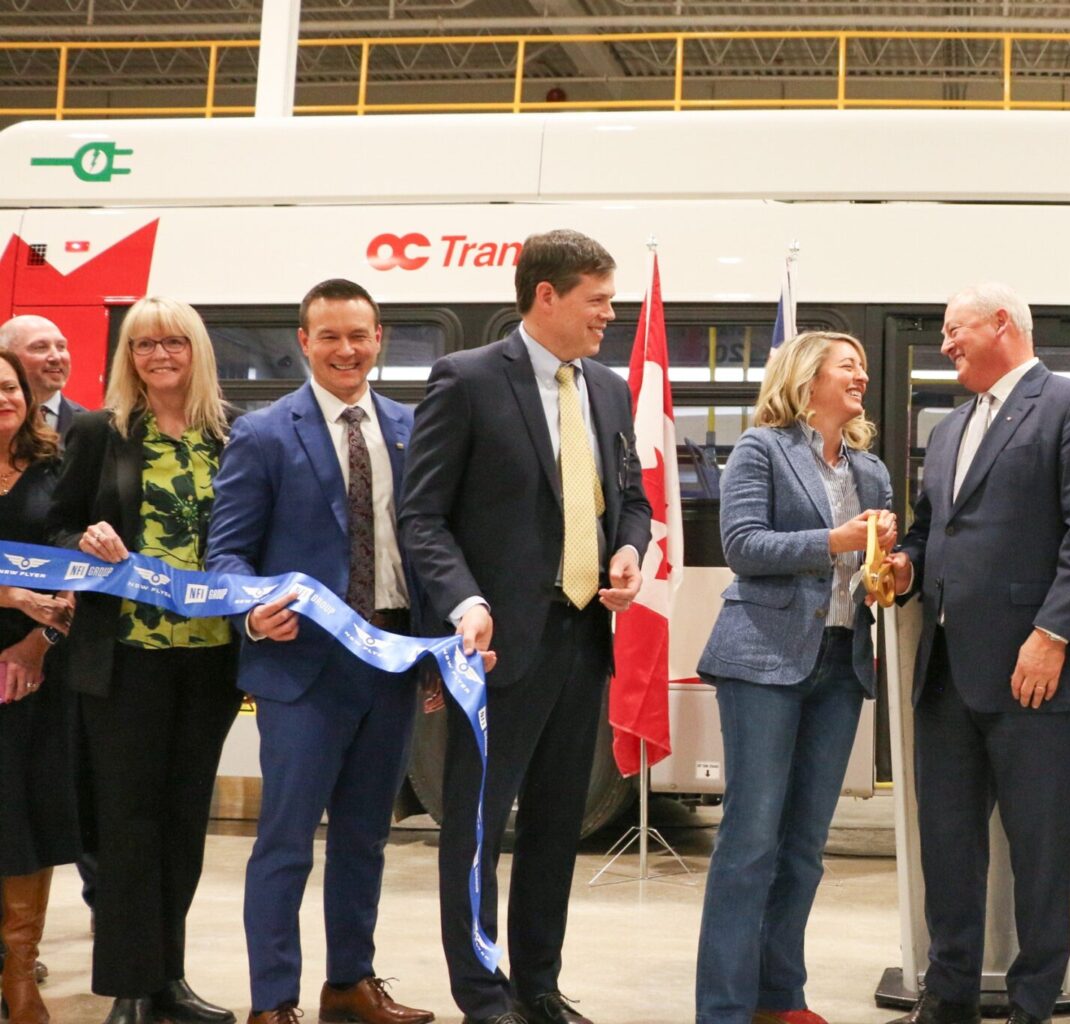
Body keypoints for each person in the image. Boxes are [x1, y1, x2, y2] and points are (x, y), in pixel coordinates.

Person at [399, 229, 649, 1024]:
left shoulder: (607, 388)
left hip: (580, 641)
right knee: (475, 828)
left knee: (554, 826)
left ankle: (537, 986)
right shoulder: (467, 380)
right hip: (494, 647)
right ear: (547, 296)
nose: (610, 315)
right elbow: (423, 517)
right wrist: (465, 601)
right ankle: (482, 992)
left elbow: (631, 495)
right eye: (597, 300)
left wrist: (630, 552)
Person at [884, 282, 1070, 1024]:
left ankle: (1033, 1002)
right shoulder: (953, 426)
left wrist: (1053, 635)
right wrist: (905, 568)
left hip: (1040, 676)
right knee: (949, 852)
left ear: (1002, 326)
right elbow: (933, 530)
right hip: (948, 675)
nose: (946, 344)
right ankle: (947, 993)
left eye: (956, 330)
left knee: (1043, 855)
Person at [205, 279, 435, 1024]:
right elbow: (227, 557)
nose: (346, 350)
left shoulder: (411, 427)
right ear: (304, 343)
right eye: (329, 336)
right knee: (286, 844)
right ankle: (273, 1002)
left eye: (359, 335)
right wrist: (253, 611)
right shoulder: (265, 433)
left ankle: (350, 984)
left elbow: (427, 548)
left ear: (380, 340)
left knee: (367, 838)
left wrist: (433, 650)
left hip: (390, 660)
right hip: (301, 670)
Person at [692, 330, 896, 1024]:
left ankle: (780, 999)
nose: (862, 376)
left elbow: (867, 576)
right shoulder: (762, 448)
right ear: (809, 378)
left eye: (863, 368)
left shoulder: (870, 471)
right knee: (750, 842)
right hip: (764, 662)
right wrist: (834, 542)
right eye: (850, 366)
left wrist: (889, 571)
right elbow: (743, 547)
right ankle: (722, 1008)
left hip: (841, 663)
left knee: (805, 847)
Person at [49, 296, 240, 1024]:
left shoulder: (229, 436)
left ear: (197, 351)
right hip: (125, 657)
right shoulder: (102, 432)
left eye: (173, 343)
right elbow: (56, 527)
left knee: (184, 821)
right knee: (127, 824)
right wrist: (84, 544)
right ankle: (131, 987)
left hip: (209, 659)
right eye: (143, 345)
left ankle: (171, 980)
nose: (159, 356)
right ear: (127, 357)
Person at [0, 348, 77, 1024]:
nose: (3, 398)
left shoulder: (56, 466)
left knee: (24, 816)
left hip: (30, 672)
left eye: (10, 387)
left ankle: (21, 971)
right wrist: (10, 593)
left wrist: (39, 639)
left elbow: (78, 570)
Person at [0, 316, 84, 442]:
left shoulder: (89, 426)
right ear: (7, 355)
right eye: (40, 347)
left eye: (61, 347)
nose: (56, 357)